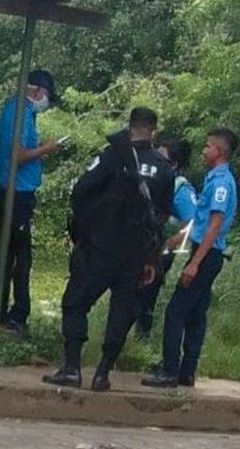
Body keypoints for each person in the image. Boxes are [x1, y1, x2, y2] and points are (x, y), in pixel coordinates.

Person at [42, 107, 174, 391]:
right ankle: (102, 373)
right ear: (154, 131)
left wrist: (87, 229)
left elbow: (80, 192)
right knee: (122, 310)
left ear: (130, 127)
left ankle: (71, 369)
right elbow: (161, 218)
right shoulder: (164, 169)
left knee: (75, 303)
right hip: (136, 254)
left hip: (100, 247)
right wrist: (151, 258)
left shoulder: (111, 156)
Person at [142, 128, 239, 388]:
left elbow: (214, 225)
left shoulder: (220, 183)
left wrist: (195, 262)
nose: (203, 151)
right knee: (196, 313)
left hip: (206, 255)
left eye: (208, 146)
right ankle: (187, 370)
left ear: (219, 152)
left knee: (176, 310)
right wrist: (175, 241)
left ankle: (170, 370)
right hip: (207, 252)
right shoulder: (214, 179)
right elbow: (200, 220)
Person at [0, 69, 61, 337]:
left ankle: (7, 311)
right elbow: (18, 156)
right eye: (45, 95)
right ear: (36, 91)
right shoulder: (18, 112)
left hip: (21, 193)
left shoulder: (25, 113)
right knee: (18, 257)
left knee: (15, 255)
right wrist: (47, 149)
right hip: (16, 194)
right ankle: (13, 314)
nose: (45, 101)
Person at [135, 138, 197, 339]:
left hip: (159, 251)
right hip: (140, 245)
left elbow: (193, 222)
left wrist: (170, 244)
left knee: (145, 297)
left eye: (161, 157)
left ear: (174, 164)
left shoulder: (180, 189)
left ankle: (140, 339)